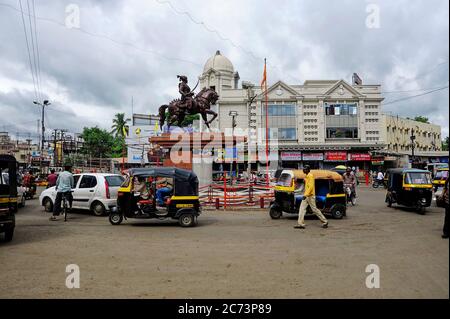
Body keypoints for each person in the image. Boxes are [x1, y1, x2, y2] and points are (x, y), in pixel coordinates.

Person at [294, 165, 328, 229]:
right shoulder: (307, 176)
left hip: (310, 196)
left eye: (305, 169)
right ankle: (300, 224)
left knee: (314, 209)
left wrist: (305, 195)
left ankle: (325, 221)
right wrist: (298, 179)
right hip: (306, 196)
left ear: (308, 170)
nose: (304, 170)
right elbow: (305, 182)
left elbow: (311, 187)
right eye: (303, 169)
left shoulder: (310, 176)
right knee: (302, 209)